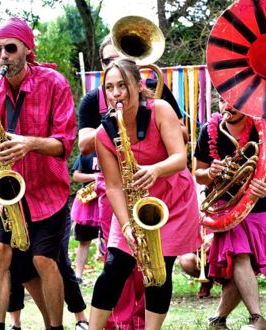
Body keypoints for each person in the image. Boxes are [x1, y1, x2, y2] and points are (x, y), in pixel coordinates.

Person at [0, 17, 76, 330]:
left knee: (44, 261)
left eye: (9, 48)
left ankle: (55, 327)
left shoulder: (55, 83)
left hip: (48, 191)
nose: (2, 55)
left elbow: (65, 143)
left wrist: (29, 144)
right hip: (7, 191)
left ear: (26, 50)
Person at [89, 58, 201, 329]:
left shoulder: (160, 109)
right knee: (114, 268)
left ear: (138, 86)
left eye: (122, 86)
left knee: (158, 273)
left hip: (172, 201)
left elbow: (179, 158)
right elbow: (114, 185)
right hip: (131, 204)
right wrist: (126, 225)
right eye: (110, 87)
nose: (116, 93)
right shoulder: (103, 134)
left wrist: (154, 170)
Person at [194, 98, 266, 330]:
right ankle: (257, 318)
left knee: (245, 269)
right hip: (226, 208)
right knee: (240, 257)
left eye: (233, 101)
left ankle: (218, 318)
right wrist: (210, 172)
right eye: (223, 101)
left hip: (258, 210)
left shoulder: (263, 134)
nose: (228, 106)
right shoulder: (208, 131)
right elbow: (198, 174)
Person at [71, 152, 101, 283]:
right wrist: (96, 177)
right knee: (84, 240)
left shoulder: (113, 148)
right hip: (88, 203)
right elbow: (76, 176)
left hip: (109, 200)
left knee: (110, 242)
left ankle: (108, 276)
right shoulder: (86, 153)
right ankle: (78, 276)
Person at [179, 229, 214, 298]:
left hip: (221, 247)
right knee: (186, 260)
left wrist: (214, 236)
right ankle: (207, 281)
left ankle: (229, 283)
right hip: (202, 254)